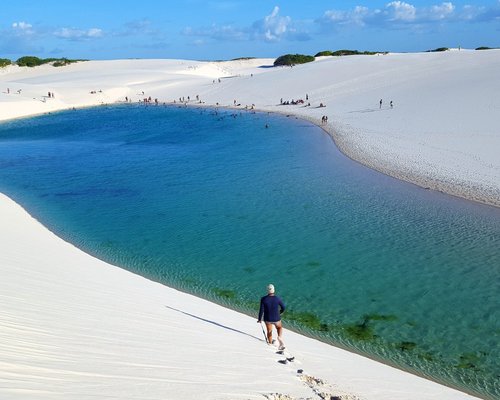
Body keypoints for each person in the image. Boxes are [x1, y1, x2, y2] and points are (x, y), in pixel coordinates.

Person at [257, 284, 286, 349]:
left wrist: (259, 319)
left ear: (267, 290)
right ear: (274, 290)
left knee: (269, 331)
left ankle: (270, 344)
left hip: (268, 319)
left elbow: (261, 310)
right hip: (277, 318)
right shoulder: (277, 298)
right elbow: (283, 307)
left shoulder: (263, 299)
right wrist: (280, 312)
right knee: (279, 328)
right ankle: (279, 337)